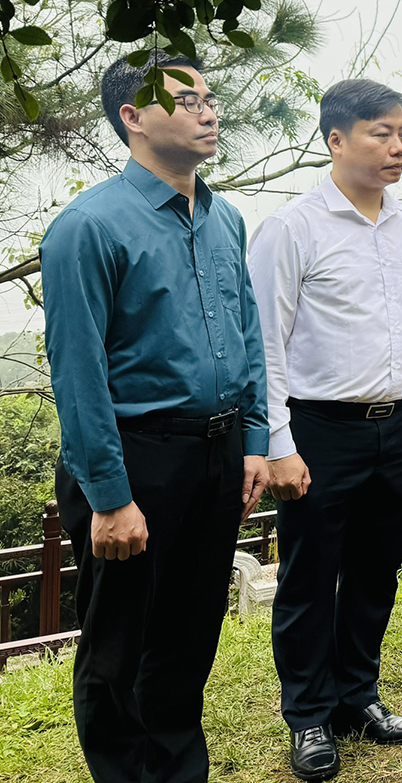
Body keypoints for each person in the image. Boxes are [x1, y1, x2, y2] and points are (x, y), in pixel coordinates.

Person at [40, 52, 271, 783]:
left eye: (210, 97)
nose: (209, 110)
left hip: (217, 454)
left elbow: (248, 334)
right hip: (135, 459)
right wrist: (109, 498)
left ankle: (179, 772)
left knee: (187, 639)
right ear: (132, 118)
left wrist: (256, 440)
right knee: (121, 651)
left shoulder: (224, 217)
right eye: (186, 99)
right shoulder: (88, 226)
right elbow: (77, 374)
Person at [247, 79, 402, 780]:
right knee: (310, 576)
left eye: (401, 133)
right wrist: (277, 444)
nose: (398, 146)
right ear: (336, 139)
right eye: (380, 133)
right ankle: (307, 716)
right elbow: (265, 343)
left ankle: (358, 696)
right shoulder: (293, 227)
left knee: (374, 570)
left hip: (399, 422)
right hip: (319, 430)